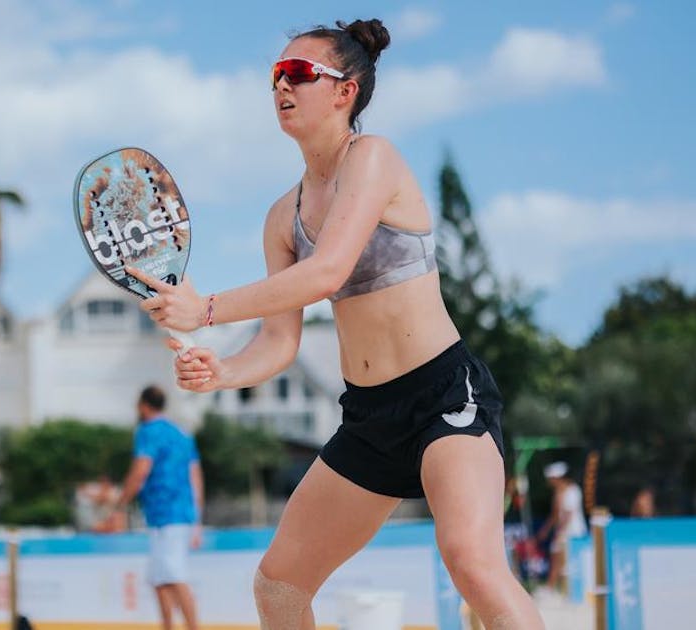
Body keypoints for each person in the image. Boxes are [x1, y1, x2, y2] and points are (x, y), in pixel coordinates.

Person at [126, 18, 546, 630]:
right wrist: (221, 371)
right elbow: (279, 343)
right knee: (279, 586)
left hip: (443, 396)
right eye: (275, 76)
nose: (281, 86)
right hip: (369, 417)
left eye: (298, 73)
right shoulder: (280, 217)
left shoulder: (373, 157)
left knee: (473, 565)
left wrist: (206, 309)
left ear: (346, 90)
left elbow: (327, 273)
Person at [114, 385, 204, 630]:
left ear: (143, 405)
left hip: (166, 514)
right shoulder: (182, 434)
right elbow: (195, 476)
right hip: (179, 513)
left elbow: (141, 470)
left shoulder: (147, 431)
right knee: (159, 578)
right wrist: (197, 520)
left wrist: (119, 504)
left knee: (174, 576)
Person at [535, 461, 587, 596]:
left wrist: (559, 532)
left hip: (573, 532)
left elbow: (568, 515)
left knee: (560, 558)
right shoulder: (559, 492)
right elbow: (555, 515)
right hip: (564, 531)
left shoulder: (572, 490)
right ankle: (555, 588)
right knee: (558, 558)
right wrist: (546, 530)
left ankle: (552, 588)